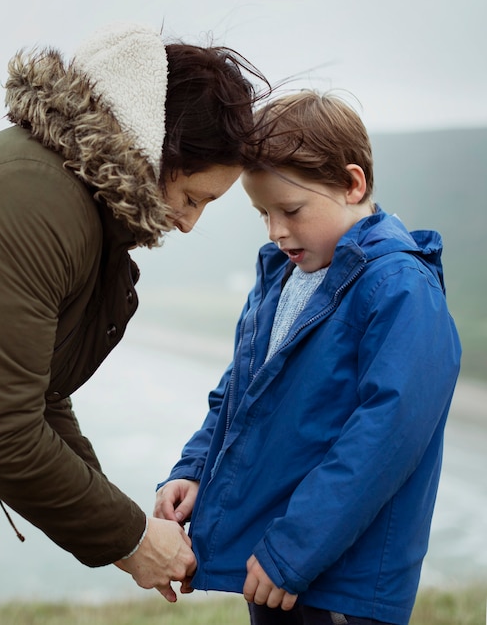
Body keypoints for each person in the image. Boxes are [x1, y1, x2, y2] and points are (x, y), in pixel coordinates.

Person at [0, 21, 269, 603]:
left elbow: (37, 390)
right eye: (193, 198)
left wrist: (124, 522)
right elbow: (2, 430)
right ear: (152, 148)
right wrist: (133, 538)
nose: (189, 224)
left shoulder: (72, 200)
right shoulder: (36, 201)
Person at [154, 90, 462, 623]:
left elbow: (382, 442)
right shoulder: (285, 276)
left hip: (340, 585)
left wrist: (293, 552)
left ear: (352, 183)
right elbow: (240, 394)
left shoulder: (400, 289)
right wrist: (195, 469)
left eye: (291, 210)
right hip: (275, 567)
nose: (276, 232)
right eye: (262, 213)